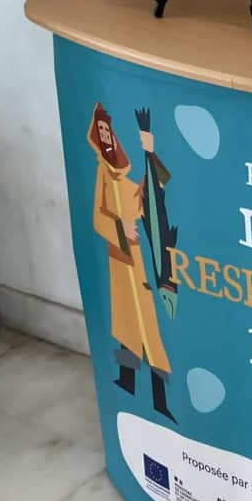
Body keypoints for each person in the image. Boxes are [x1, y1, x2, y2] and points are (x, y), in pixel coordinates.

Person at [88, 103, 177, 423]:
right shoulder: (103, 176)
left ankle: (161, 399)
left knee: (149, 329)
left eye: (108, 130)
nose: (106, 136)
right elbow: (98, 218)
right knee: (127, 324)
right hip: (119, 260)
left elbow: (149, 195)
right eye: (101, 131)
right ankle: (127, 384)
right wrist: (120, 229)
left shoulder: (123, 182)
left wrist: (150, 153)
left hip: (137, 261)